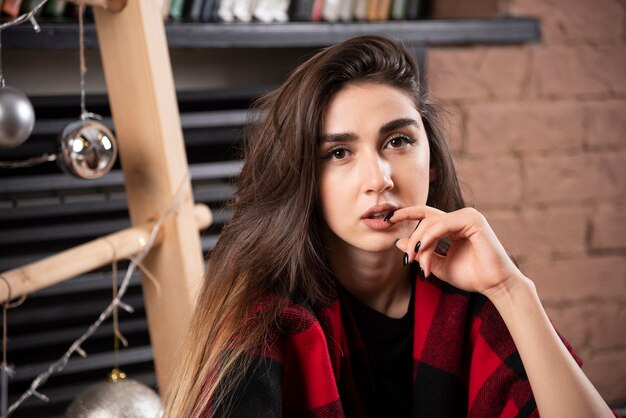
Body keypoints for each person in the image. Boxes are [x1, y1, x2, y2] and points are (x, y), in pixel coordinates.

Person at [164, 35, 617, 418]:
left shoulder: (475, 306)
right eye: (339, 153)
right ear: (305, 177)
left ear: (433, 162)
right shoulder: (269, 324)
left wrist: (512, 291)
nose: (379, 179)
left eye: (398, 141)